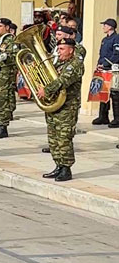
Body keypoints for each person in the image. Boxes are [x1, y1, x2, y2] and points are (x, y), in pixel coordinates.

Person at [38, 39, 84, 182]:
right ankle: (58, 165)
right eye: (58, 49)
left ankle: (66, 168)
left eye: (62, 49)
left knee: (64, 138)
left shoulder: (75, 64)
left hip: (67, 107)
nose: (59, 52)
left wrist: (46, 90)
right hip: (55, 105)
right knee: (53, 138)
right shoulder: (59, 63)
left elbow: (63, 81)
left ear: (71, 50)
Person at [0, 18, 17, 139]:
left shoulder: (11, 40)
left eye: (0, 26)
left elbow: (14, 56)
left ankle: (3, 126)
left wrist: (6, 56)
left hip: (5, 74)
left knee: (3, 100)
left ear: (7, 27)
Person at [92, 18, 119, 126]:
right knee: (103, 93)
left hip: (113, 70)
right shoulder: (104, 39)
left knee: (114, 94)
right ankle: (103, 116)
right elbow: (101, 54)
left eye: (105, 25)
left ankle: (117, 118)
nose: (103, 27)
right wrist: (99, 64)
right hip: (103, 69)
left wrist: (106, 64)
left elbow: (116, 55)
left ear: (110, 27)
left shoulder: (116, 38)